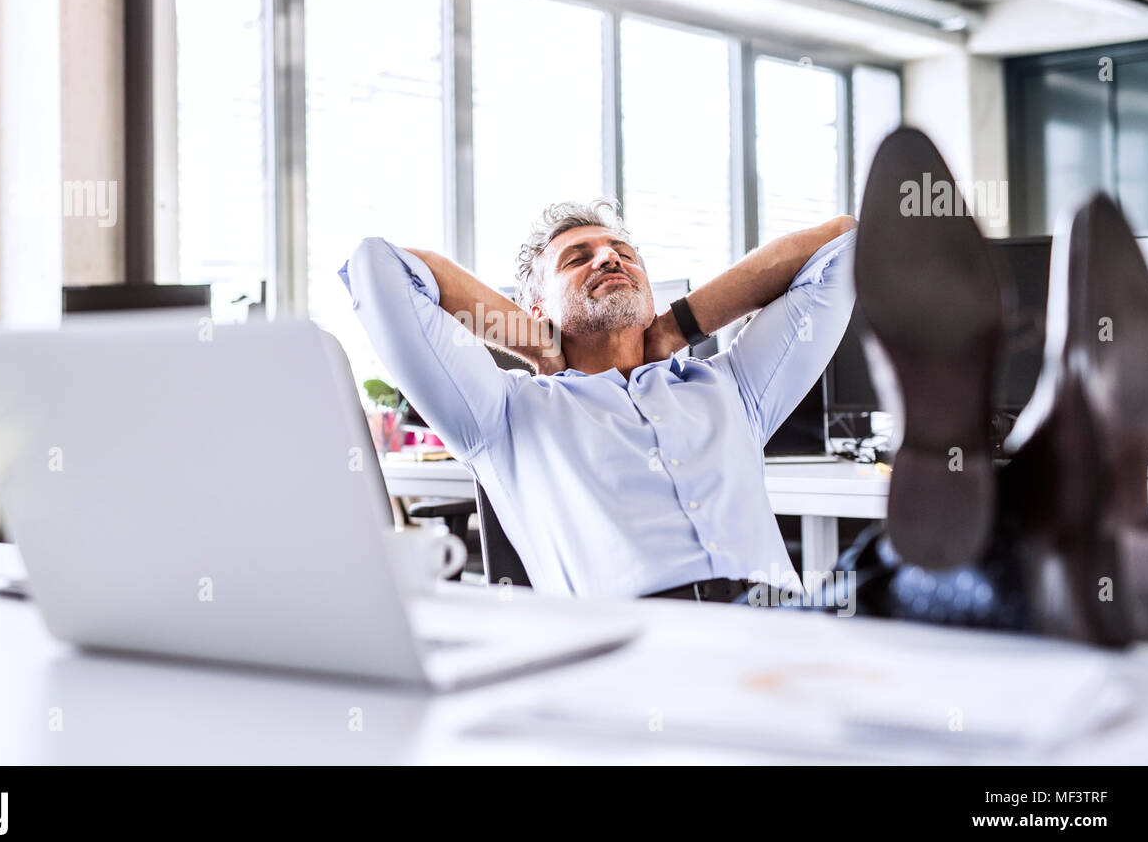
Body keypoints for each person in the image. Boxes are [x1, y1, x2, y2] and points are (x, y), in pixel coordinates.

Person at [339, 200, 856, 601]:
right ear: (536, 306)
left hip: (781, 633)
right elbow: (378, 267)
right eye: (577, 258)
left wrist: (678, 326)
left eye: (623, 253)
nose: (609, 256)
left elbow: (846, 243)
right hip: (631, 657)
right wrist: (536, 343)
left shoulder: (733, 387)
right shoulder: (503, 414)